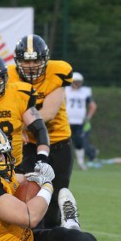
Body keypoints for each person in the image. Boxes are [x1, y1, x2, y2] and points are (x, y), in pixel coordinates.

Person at [8, 34, 74, 228]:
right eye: (26, 60)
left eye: (36, 60)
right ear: (17, 61)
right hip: (30, 145)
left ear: (45, 59)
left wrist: (20, 125)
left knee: (57, 198)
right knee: (29, 194)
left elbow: (48, 113)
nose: (30, 65)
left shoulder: (58, 71)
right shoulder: (9, 76)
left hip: (58, 142)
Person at [65, 72, 97, 170]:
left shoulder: (85, 91)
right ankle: (64, 163)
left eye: (79, 82)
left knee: (79, 143)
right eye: (76, 81)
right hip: (66, 121)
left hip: (79, 122)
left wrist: (88, 117)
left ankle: (80, 162)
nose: (77, 84)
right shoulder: (65, 90)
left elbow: (93, 106)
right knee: (64, 143)